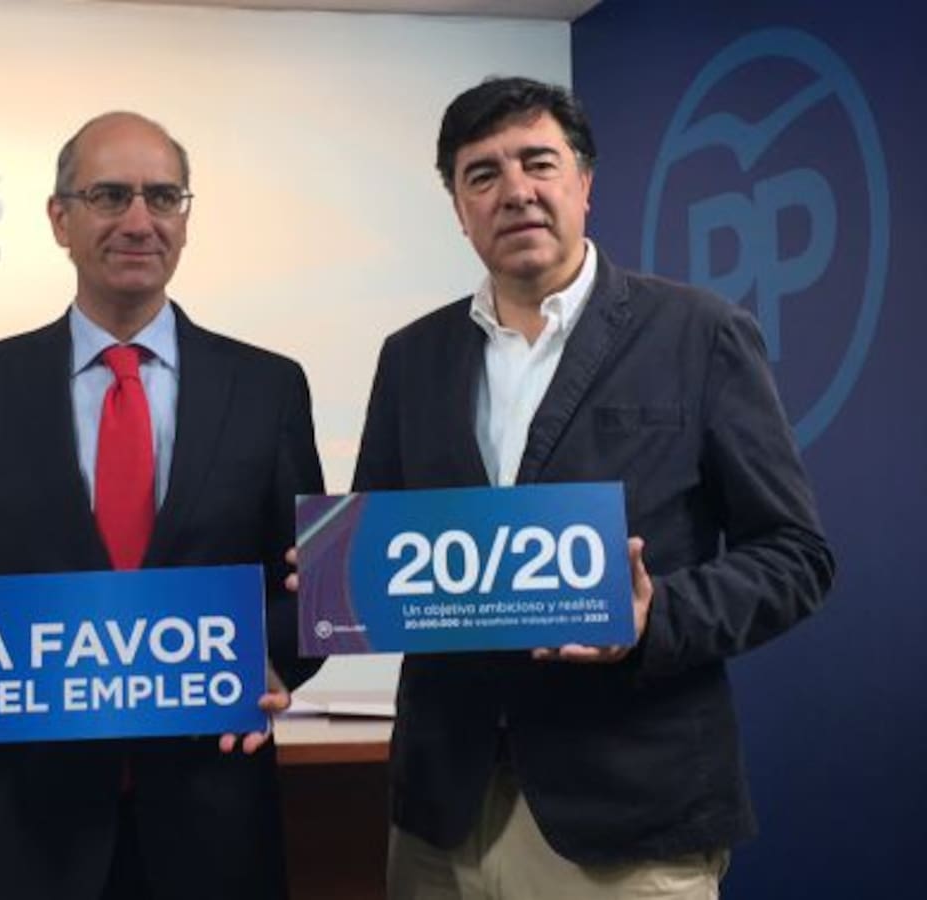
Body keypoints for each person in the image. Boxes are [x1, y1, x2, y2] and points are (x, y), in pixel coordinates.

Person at [352, 77, 835, 899]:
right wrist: (342, 579)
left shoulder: (700, 333)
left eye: (538, 162)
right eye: (482, 174)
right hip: (441, 816)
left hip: (627, 814)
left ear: (584, 183)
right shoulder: (412, 357)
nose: (515, 191)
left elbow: (796, 556)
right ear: (459, 209)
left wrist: (654, 617)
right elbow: (383, 540)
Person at [0, 111, 323, 900]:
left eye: (164, 197)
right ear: (60, 218)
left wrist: (272, 658)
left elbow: (309, 583)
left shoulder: (269, 386)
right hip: (27, 823)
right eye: (110, 196)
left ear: (185, 218)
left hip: (212, 819)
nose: (139, 221)